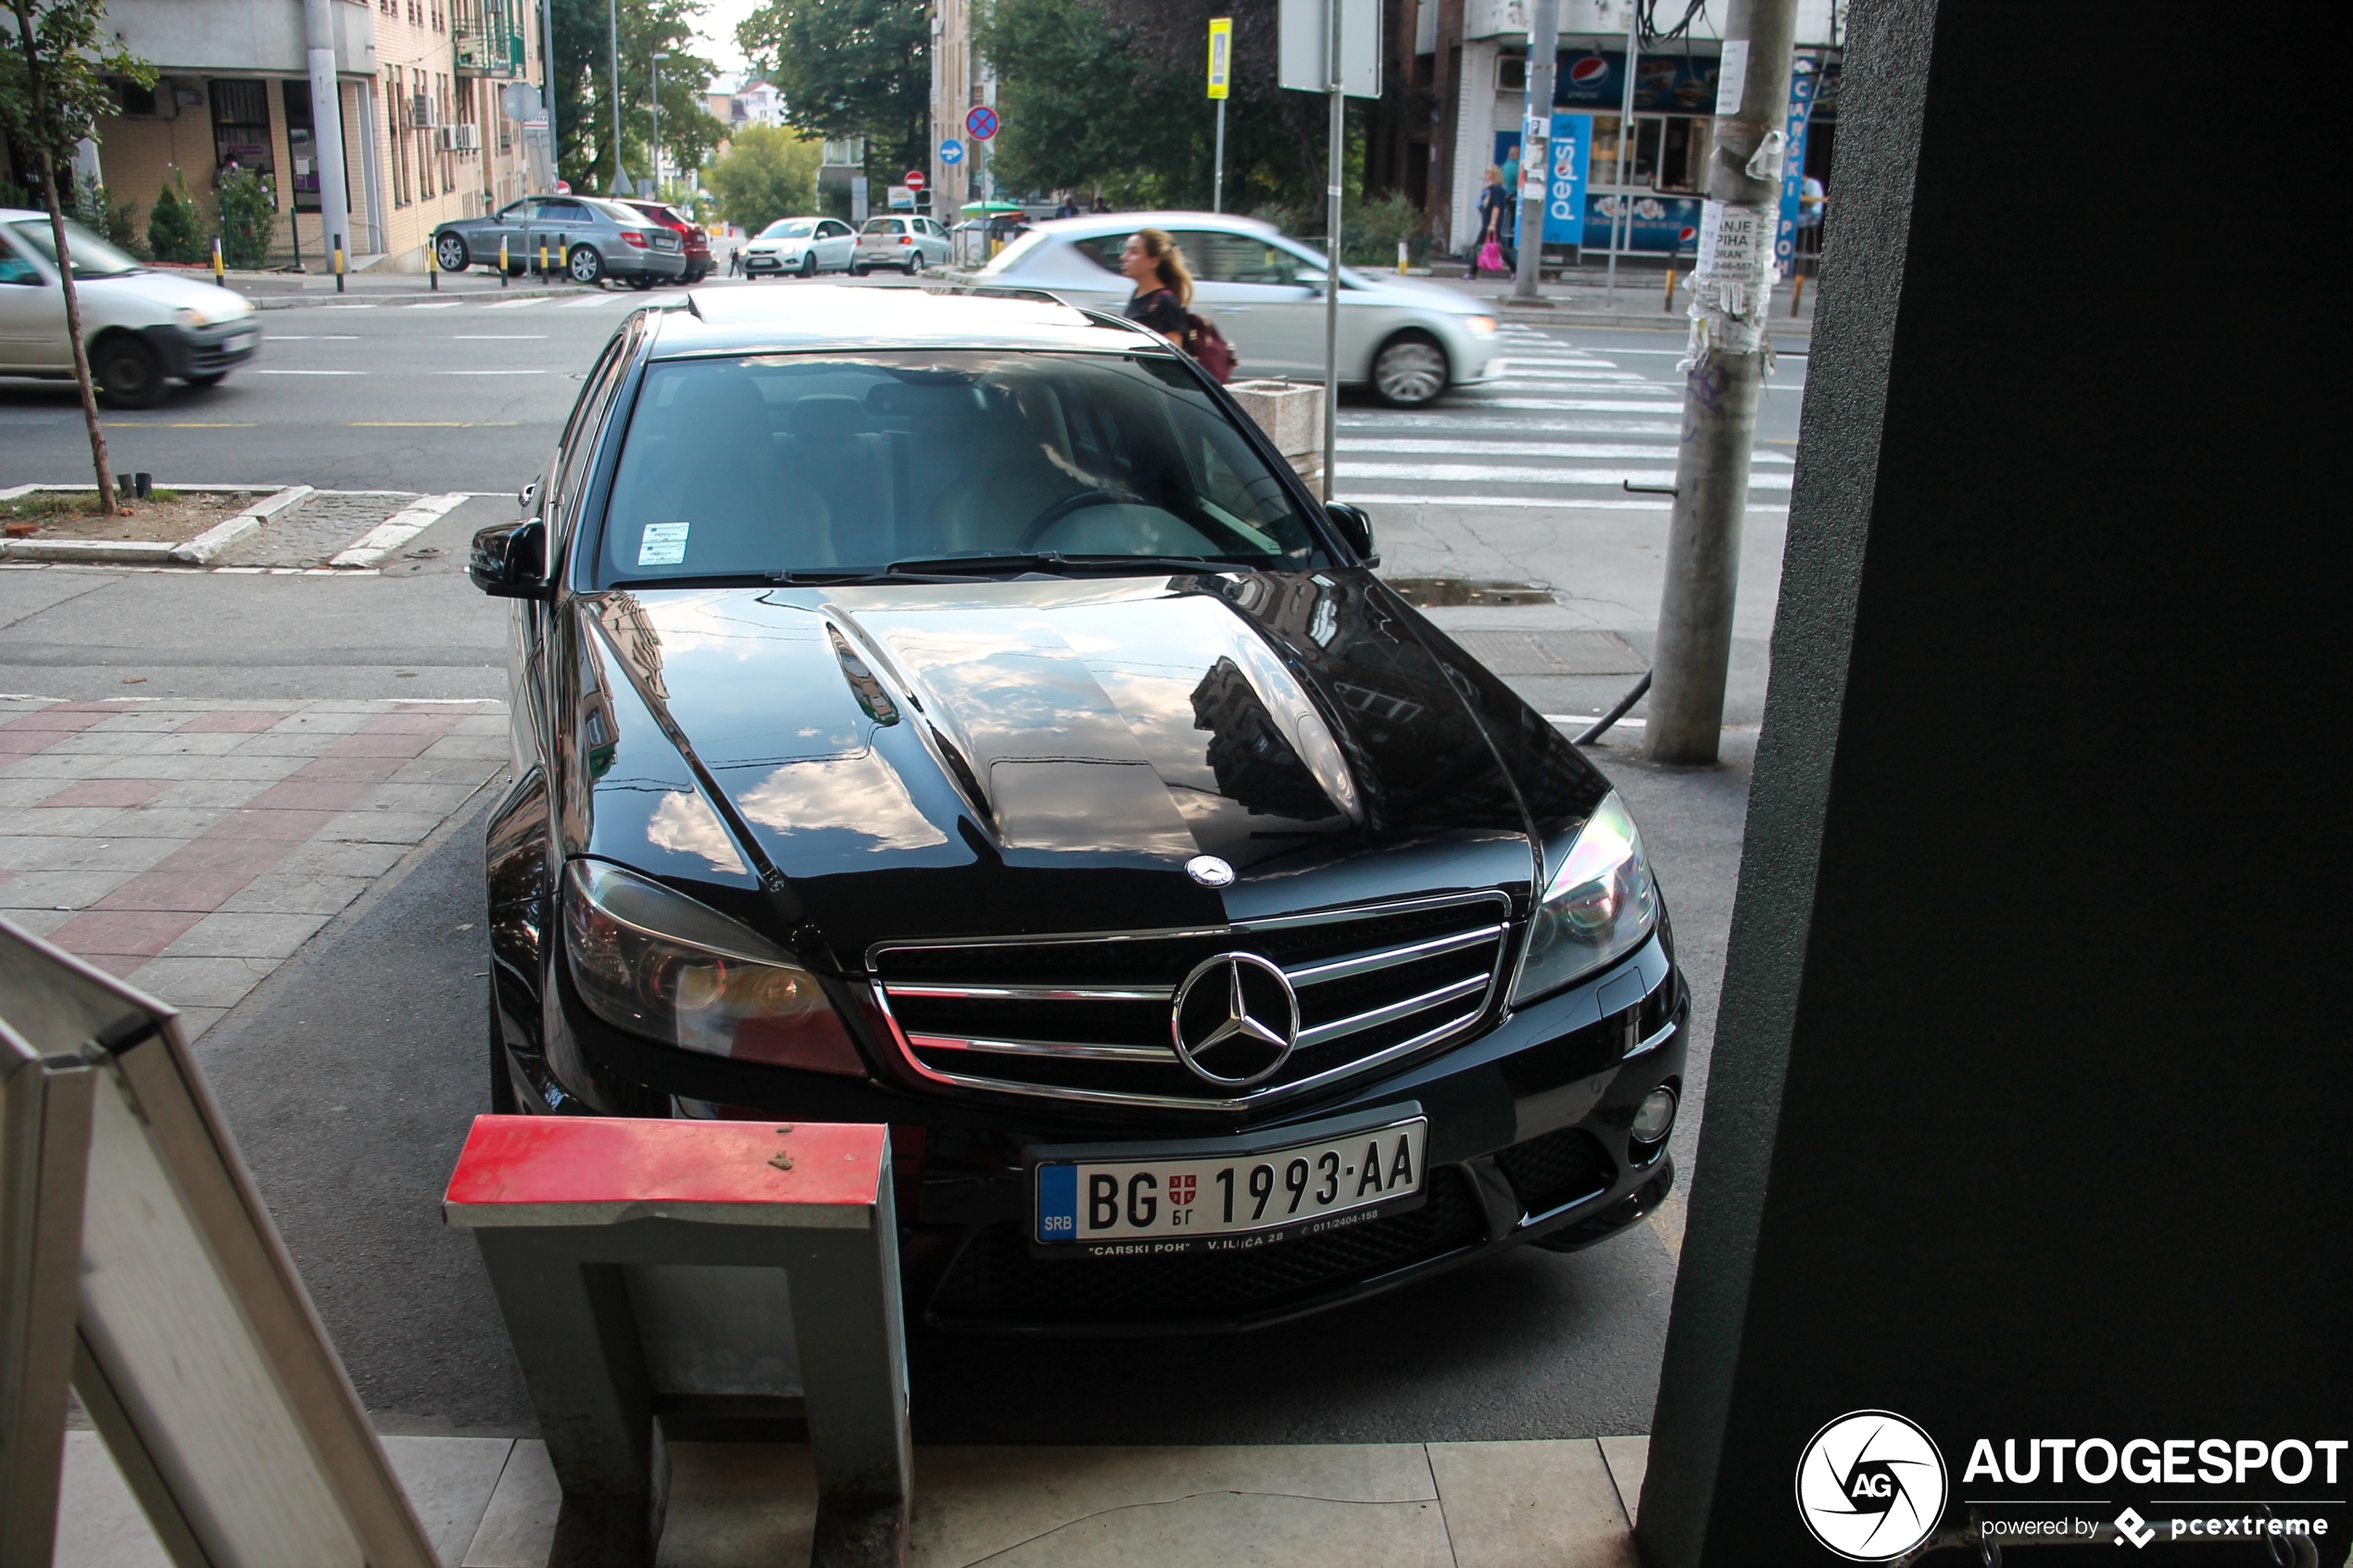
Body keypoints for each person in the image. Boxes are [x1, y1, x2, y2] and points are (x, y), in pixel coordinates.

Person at [1120, 227, 1193, 341]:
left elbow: (1173, 352)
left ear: (1154, 261)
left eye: (1134, 252)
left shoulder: (1165, 301)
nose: (1123, 257)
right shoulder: (1138, 294)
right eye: (1126, 251)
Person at [1466, 165, 1512, 279]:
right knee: (1496, 247)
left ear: (1494, 175)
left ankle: (1472, 273)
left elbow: (1496, 207)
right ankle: (1514, 270)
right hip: (1488, 222)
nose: (1486, 176)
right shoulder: (1491, 189)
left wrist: (1492, 223)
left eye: (1488, 173)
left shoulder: (1496, 189)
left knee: (1481, 246)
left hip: (1491, 224)